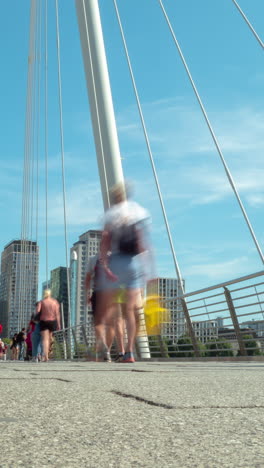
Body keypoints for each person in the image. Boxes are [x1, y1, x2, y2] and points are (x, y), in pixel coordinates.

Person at [98, 181, 155, 363]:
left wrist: (105, 266)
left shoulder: (111, 214)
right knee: (131, 311)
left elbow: (105, 241)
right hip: (135, 263)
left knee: (112, 311)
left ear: (114, 197)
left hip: (116, 262)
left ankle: (105, 348)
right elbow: (145, 242)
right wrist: (149, 270)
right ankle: (130, 351)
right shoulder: (138, 211)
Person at [36, 289, 61, 362]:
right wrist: (58, 324)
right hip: (52, 322)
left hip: (44, 321)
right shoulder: (55, 302)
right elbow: (57, 314)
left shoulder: (42, 302)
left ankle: (45, 356)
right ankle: (47, 354)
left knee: (45, 339)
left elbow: (37, 311)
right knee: (50, 339)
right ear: (50, 294)